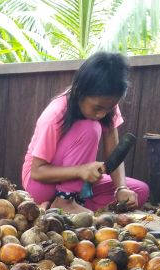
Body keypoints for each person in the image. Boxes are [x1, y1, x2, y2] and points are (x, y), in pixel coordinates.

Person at [22, 52, 149, 214]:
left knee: (139, 191)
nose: (102, 114)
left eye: (108, 108)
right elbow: (37, 171)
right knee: (91, 128)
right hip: (41, 185)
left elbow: (114, 155)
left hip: (79, 184)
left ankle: (66, 208)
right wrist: (80, 171)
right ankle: (63, 203)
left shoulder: (107, 107)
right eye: (97, 108)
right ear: (79, 91)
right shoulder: (55, 114)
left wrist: (121, 189)